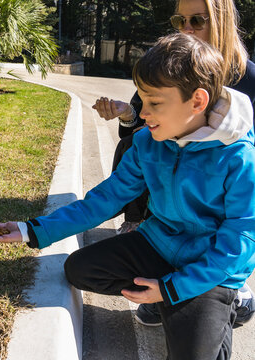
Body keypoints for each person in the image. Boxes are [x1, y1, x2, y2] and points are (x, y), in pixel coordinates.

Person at [0, 33, 255, 360]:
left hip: (207, 270)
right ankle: (169, 302)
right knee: (79, 269)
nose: (142, 112)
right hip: (157, 245)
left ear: (197, 102)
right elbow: (104, 200)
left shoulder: (240, 159)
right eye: (142, 100)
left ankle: (224, 305)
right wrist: (30, 230)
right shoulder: (147, 143)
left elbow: (240, 240)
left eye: (154, 103)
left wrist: (171, 289)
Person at [92, 0, 255, 326]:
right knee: (133, 146)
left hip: (221, 200)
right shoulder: (169, 65)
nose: (186, 29)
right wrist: (127, 114)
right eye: (179, 20)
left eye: (197, 20)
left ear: (221, 21)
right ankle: (148, 247)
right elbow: (138, 128)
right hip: (171, 198)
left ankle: (227, 288)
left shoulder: (248, 79)